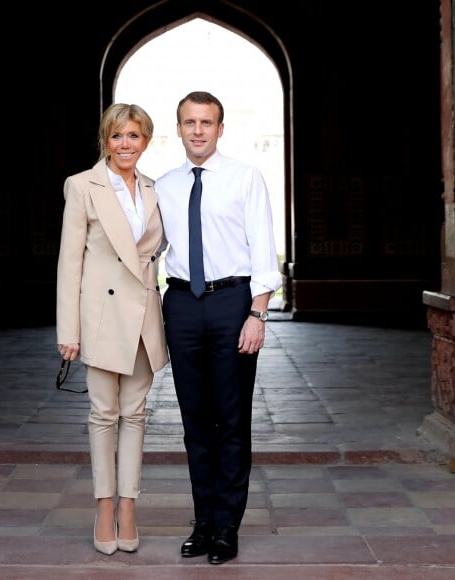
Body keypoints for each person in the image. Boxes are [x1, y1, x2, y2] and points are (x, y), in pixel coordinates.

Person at [154, 91, 282, 565]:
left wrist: (258, 312)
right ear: (179, 128)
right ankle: (203, 522)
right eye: (189, 122)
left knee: (230, 419)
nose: (198, 130)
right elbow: (145, 245)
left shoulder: (245, 178)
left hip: (232, 302)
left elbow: (264, 249)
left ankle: (228, 526)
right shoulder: (163, 185)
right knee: (193, 421)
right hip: (182, 303)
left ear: (220, 128)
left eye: (206, 122)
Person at [56, 103, 168, 556]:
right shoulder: (82, 186)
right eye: (118, 136)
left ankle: (129, 507)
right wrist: (69, 329)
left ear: (146, 142)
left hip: (143, 315)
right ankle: (103, 508)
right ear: (106, 139)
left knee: (136, 415)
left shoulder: (154, 188)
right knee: (103, 414)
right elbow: (70, 261)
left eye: (135, 136)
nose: (126, 144)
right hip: (101, 317)